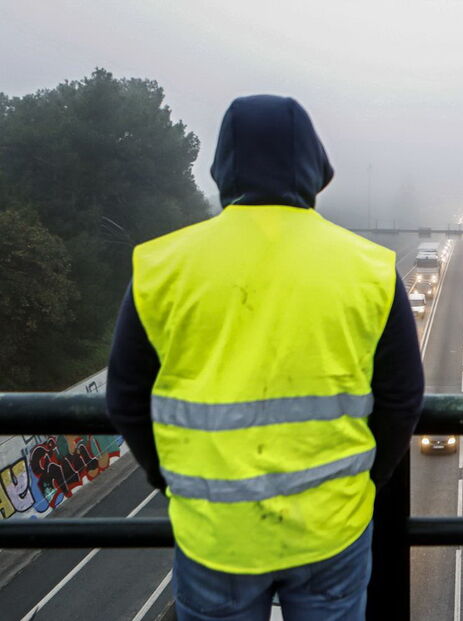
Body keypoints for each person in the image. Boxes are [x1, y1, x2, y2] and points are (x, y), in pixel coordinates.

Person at [106, 95, 424, 620]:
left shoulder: (159, 266)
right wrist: (367, 482)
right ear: (314, 170)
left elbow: (126, 401)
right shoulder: (371, 269)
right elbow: (402, 400)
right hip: (332, 528)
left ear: (224, 170)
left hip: (214, 536)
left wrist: (174, 483)